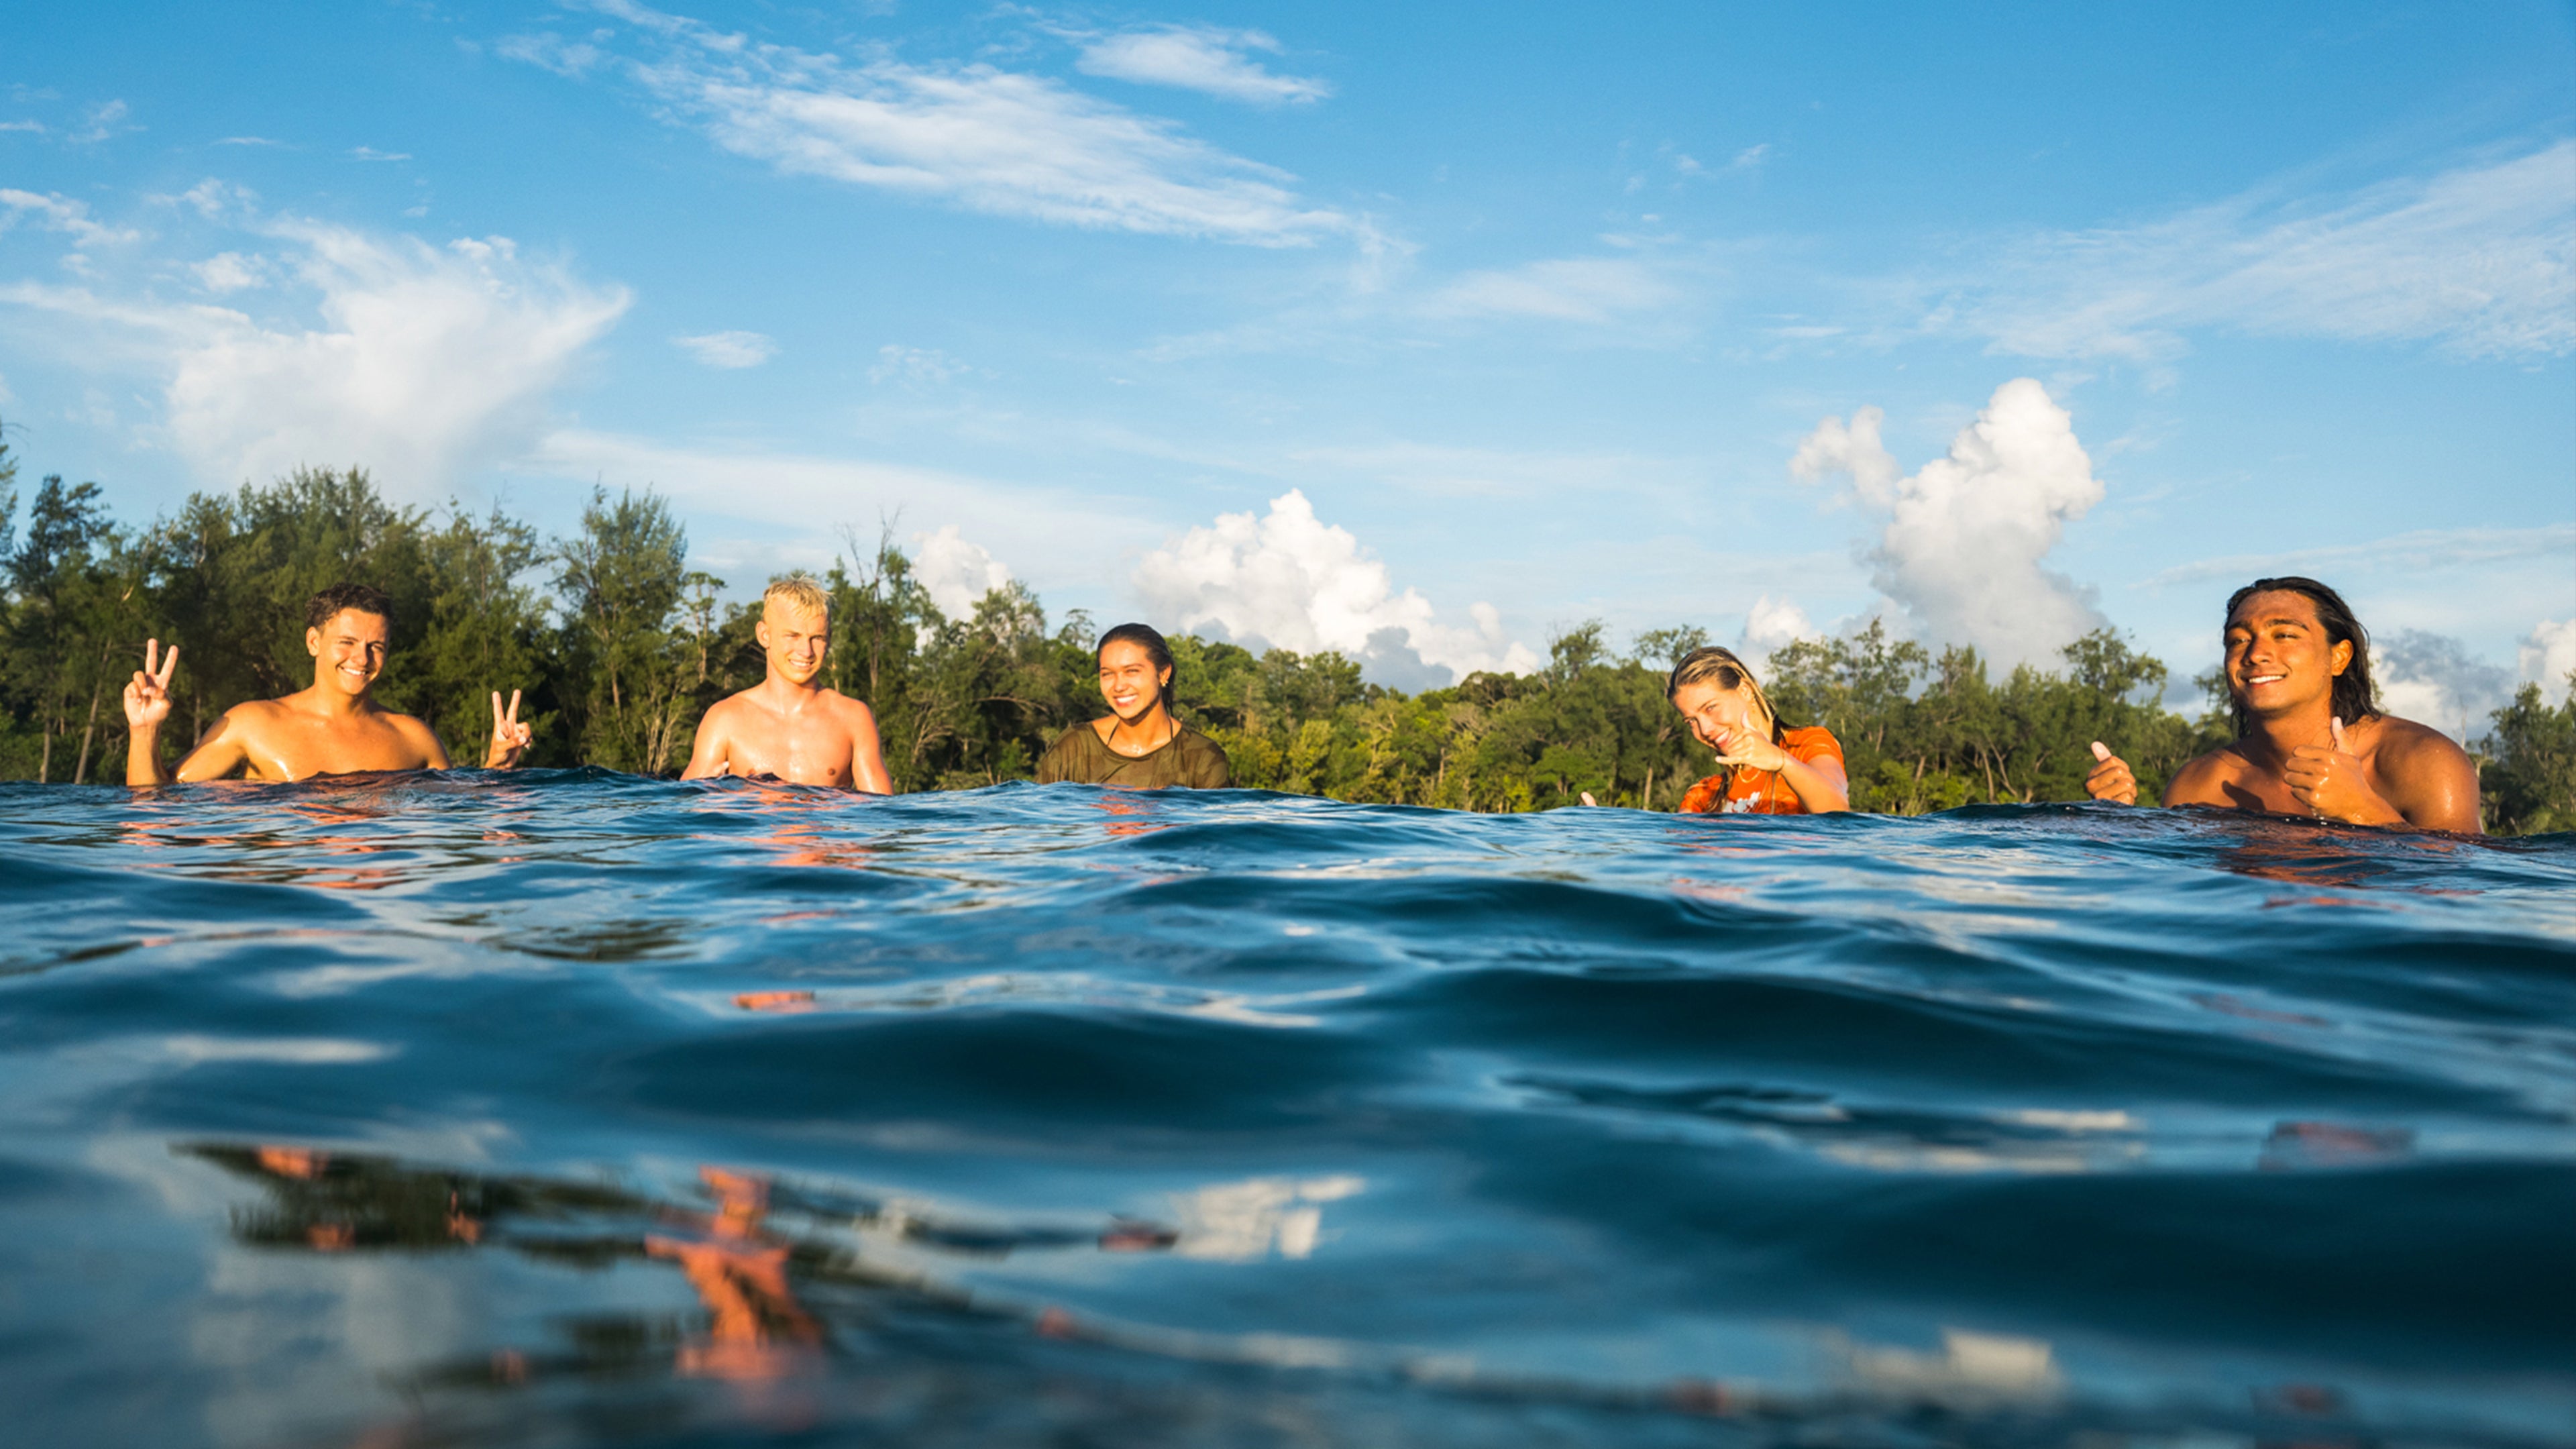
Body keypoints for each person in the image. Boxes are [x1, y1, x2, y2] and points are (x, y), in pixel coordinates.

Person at [2086, 576, 2479, 833]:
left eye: (2285, 635)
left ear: (2340, 657)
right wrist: (2118, 827)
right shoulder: (2199, 785)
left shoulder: (2425, 762)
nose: (2256, 653)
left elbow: (2461, 888)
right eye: (2238, 640)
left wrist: (2363, 811)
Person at [124, 582, 533, 784]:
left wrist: (496, 765)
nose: (362, 659)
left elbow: (456, 819)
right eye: (348, 643)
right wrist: (144, 732)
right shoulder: (252, 724)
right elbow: (157, 803)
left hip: (383, 906)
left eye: (376, 646)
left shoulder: (415, 739)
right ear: (314, 642)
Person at [682, 574, 893, 792]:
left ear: (829, 638)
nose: (806, 651)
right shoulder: (725, 720)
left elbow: (882, 815)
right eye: (792, 635)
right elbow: (682, 812)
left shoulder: (853, 718)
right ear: (765, 635)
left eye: (817, 638)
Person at [1658, 645, 1849, 814]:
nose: (1705, 729)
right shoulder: (1704, 796)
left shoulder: (1807, 744)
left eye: (1710, 708)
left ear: (1745, 691)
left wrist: (1781, 762)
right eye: (1691, 721)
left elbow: (1838, 811)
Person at [1036, 623, 1230, 788]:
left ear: (1163, 673)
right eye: (1107, 674)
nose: (1119, 686)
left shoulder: (1202, 757)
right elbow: (1036, 823)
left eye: (1132, 671)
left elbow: (1215, 831)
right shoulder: (1075, 746)